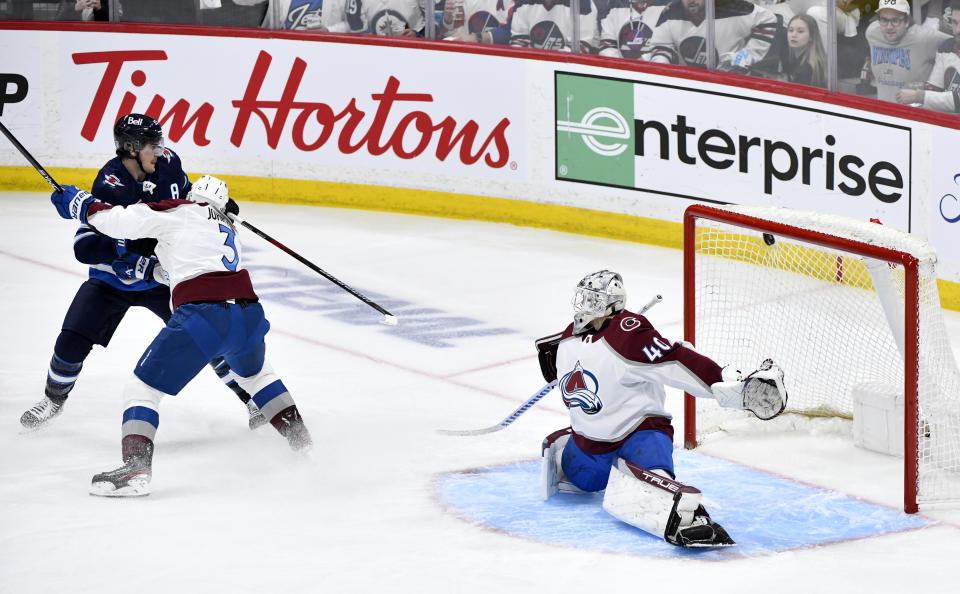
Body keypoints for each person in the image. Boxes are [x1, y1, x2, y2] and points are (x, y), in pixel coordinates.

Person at [49, 176, 313, 497]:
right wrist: (149, 270)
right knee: (258, 376)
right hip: (247, 315)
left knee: (141, 389)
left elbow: (120, 222)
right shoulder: (229, 229)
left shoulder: (181, 210)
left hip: (204, 315)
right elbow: (186, 267)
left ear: (191, 196)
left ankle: (135, 470)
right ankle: (302, 443)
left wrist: (84, 206)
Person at [20, 114, 266, 432]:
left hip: (161, 279)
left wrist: (215, 205)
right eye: (152, 146)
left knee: (206, 334)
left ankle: (250, 400)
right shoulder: (110, 183)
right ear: (132, 149)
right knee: (71, 340)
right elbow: (86, 248)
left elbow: (186, 201)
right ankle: (53, 401)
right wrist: (130, 260)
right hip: (113, 281)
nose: (160, 152)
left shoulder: (169, 164)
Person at [535, 270, 788, 547]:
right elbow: (674, 358)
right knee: (590, 473)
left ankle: (675, 503)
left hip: (634, 435)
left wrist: (725, 382)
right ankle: (639, 482)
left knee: (654, 464)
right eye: (584, 298)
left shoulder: (618, 335)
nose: (585, 305)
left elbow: (676, 361)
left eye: (594, 299)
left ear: (610, 305)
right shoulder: (575, 339)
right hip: (590, 453)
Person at [646, 0, 779, 70]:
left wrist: (743, 58)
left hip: (727, 86)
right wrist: (661, 68)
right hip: (686, 86)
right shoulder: (671, 13)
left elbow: (768, 19)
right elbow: (662, 47)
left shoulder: (731, 7)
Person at [866, 0, 950, 103]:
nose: (889, 27)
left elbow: (955, 43)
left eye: (895, 20)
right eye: (884, 20)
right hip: (883, 113)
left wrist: (949, 27)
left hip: (914, 115)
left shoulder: (923, 38)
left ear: (906, 22)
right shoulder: (872, 33)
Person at [896, 0, 960, 111]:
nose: (958, 29)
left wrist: (919, 96)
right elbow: (934, 89)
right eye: (955, 22)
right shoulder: (946, 47)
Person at [509, 0, 600, 53]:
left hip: (571, 73)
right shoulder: (524, 3)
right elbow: (518, 44)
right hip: (533, 68)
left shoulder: (583, 4)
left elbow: (580, 49)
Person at [598, 0, 671, 58]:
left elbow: (666, 51)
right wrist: (623, 67)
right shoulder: (614, 5)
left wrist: (643, 62)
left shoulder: (668, 6)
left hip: (653, 72)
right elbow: (607, 47)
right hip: (620, 71)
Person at [778, 13, 828, 86]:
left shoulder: (808, 68)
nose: (794, 35)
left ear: (811, 36)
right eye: (791, 30)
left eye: (800, 31)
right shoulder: (791, 58)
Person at [440, 0, 517, 44]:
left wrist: (476, 38)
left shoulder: (513, 3)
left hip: (501, 61)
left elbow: (514, 32)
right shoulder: (461, 1)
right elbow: (453, 35)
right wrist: (448, 20)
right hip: (468, 59)